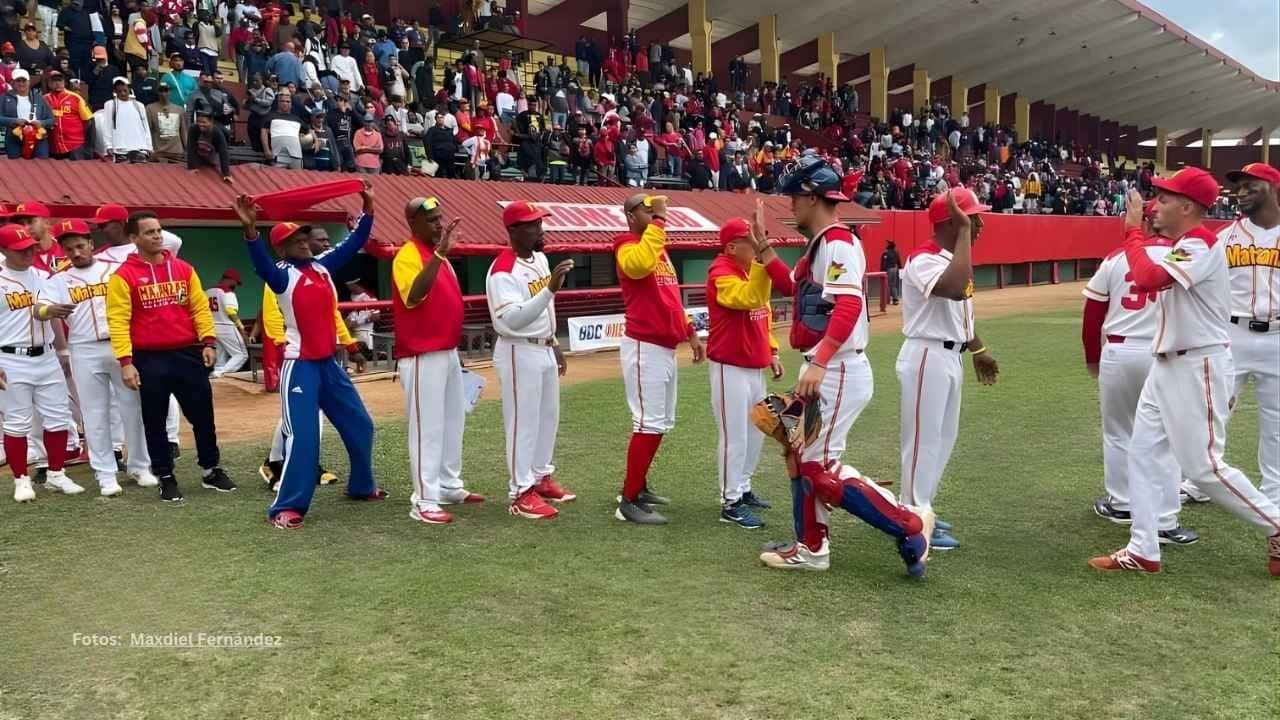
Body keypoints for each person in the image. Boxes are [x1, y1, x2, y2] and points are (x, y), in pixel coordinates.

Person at [1089, 176, 1280, 576]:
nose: (1154, 206)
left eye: (1164, 198)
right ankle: (1143, 548)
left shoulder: (1202, 244)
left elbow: (1148, 278)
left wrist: (1131, 234)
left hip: (1199, 364)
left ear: (1188, 207)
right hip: (1167, 364)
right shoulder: (1185, 245)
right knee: (1141, 454)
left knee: (1204, 468)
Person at [233, 189, 382, 529]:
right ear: (281, 248)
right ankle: (287, 507)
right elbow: (259, 263)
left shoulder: (320, 267)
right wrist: (250, 230)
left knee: (361, 425)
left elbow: (354, 242)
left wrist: (368, 208)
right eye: (294, 239)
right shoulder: (282, 275)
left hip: (329, 364)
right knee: (303, 437)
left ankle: (362, 486)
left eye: (303, 236)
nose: (302, 242)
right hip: (300, 367)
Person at [759, 155, 872, 570]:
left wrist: (820, 360)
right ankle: (807, 539)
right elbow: (796, 287)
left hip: (839, 365)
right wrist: (765, 249)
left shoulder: (838, 242)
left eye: (794, 197)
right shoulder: (825, 243)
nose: (791, 205)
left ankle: (904, 524)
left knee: (814, 461)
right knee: (801, 453)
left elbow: (847, 305)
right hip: (831, 364)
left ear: (811, 197)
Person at [1082, 199, 1198, 544]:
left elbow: (1092, 315)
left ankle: (1121, 503)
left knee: (1118, 431)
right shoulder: (1184, 255)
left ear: (1142, 223)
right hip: (1164, 353)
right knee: (1167, 435)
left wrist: (1092, 357)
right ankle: (1165, 519)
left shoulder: (1116, 257)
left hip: (1118, 350)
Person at [896, 190, 1002, 552]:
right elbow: (955, 289)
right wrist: (961, 236)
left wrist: (978, 349)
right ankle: (912, 517)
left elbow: (960, 315)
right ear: (951, 222)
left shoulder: (951, 257)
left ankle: (921, 508)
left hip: (948, 357)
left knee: (943, 439)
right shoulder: (924, 258)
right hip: (927, 355)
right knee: (923, 441)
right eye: (973, 217)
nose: (980, 224)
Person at [105, 211, 236, 502]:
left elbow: (199, 308)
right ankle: (165, 476)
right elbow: (118, 320)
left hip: (188, 353)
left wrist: (209, 342)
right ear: (133, 239)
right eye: (149, 232)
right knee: (154, 420)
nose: (157, 236)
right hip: (148, 358)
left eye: (159, 230)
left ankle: (211, 470)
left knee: (203, 415)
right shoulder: (123, 277)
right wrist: (126, 363)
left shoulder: (184, 269)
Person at [37, 220, 157, 497]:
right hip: (84, 348)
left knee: (132, 408)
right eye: (69, 249)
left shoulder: (115, 269)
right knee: (95, 413)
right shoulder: (59, 279)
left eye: (80, 246)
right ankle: (105, 473)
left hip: (120, 344)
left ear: (91, 244)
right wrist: (49, 310)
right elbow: (39, 309)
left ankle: (139, 465)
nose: (76, 253)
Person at [752, 391, 931, 575]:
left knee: (815, 470)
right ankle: (809, 545)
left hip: (834, 372)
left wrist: (818, 365)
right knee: (802, 460)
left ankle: (909, 522)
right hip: (823, 373)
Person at [613, 194, 706, 525]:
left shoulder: (658, 248)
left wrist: (690, 331)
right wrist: (660, 222)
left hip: (664, 346)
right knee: (647, 422)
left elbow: (670, 298)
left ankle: (639, 487)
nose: (653, 214)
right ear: (630, 215)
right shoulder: (626, 243)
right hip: (643, 345)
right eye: (645, 210)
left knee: (660, 422)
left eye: (654, 211)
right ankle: (627, 500)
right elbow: (637, 265)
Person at [393, 197, 485, 525]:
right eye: (431, 220)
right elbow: (415, 295)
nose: (438, 224)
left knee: (451, 422)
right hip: (421, 355)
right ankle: (423, 500)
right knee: (427, 428)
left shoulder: (437, 256)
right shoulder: (408, 255)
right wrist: (440, 254)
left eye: (439, 218)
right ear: (414, 223)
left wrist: (440, 255)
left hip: (446, 351)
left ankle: (448, 484)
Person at [486, 201, 577, 520]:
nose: (540, 229)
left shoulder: (539, 258)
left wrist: (554, 342)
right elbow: (512, 319)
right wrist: (550, 289)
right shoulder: (502, 270)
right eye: (532, 225)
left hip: (542, 346)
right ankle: (520, 492)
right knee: (523, 420)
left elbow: (542, 314)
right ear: (513, 231)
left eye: (540, 223)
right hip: (517, 348)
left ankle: (540, 477)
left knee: (547, 417)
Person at [706, 204, 793, 529]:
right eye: (750, 240)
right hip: (730, 367)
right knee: (735, 436)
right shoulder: (721, 271)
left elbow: (762, 315)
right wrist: (761, 263)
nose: (756, 244)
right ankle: (730, 502)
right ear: (731, 247)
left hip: (752, 365)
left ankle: (742, 488)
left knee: (756, 431)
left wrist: (772, 350)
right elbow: (747, 300)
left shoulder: (746, 270)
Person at [0, 223, 83, 503]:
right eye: (20, 250)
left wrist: (62, 352)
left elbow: (54, 316)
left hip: (46, 355)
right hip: (10, 358)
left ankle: (56, 474)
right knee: (17, 422)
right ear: (3, 250)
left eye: (31, 248)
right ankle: (21, 479)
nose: (27, 254)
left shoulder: (44, 276)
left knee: (59, 417)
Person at [1219, 163, 1280, 508]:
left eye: (1249, 186)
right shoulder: (1223, 237)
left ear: (1271, 188)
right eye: (1238, 187)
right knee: (1213, 411)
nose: (1240, 193)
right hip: (1232, 333)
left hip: (1278, 337)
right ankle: (1205, 480)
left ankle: (1274, 496)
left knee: (1277, 424)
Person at [0, 68, 52, 159]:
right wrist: (14, 121)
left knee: (42, 165)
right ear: (12, 82)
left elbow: (51, 119)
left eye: (24, 81)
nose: (21, 83)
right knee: (16, 167)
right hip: (14, 136)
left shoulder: (39, 97)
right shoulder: (4, 98)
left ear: (29, 82)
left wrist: (42, 123)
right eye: (18, 81)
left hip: (38, 137)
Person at [206, 269, 248, 378]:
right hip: (226, 325)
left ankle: (217, 374)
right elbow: (230, 311)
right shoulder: (227, 291)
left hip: (212, 325)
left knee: (221, 358)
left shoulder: (208, 291)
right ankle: (219, 373)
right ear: (229, 279)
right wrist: (242, 328)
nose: (235, 285)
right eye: (235, 282)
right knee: (242, 354)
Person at [100, 76, 151, 162]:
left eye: (125, 91)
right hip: (119, 148)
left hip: (139, 147)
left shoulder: (139, 105)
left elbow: (145, 127)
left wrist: (149, 146)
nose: (123, 93)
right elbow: (107, 126)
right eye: (119, 91)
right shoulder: (110, 104)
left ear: (129, 89)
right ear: (115, 91)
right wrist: (108, 146)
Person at [43, 70, 92, 159]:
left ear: (64, 82)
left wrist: (86, 143)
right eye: (54, 81)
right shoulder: (44, 99)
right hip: (53, 146)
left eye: (60, 80)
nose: (57, 83)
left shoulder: (76, 98)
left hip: (75, 145)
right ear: (49, 83)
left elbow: (88, 120)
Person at [262, 91, 304, 169]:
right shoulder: (270, 116)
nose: (285, 103)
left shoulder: (297, 119)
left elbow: (309, 130)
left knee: (298, 179)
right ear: (278, 102)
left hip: (296, 156)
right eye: (282, 101)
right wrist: (266, 150)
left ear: (291, 104)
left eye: (288, 101)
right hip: (277, 155)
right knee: (277, 179)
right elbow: (263, 133)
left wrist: (315, 139)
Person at [187, 110, 231, 180]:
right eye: (198, 121)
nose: (201, 124)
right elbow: (190, 147)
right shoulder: (193, 129)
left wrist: (226, 173)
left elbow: (223, 152)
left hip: (213, 156)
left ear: (211, 122)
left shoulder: (217, 133)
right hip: (199, 156)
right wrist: (192, 167)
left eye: (204, 122)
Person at [879, 239, 901, 305]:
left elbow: (884, 263)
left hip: (889, 269)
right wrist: (899, 268)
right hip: (895, 268)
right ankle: (895, 299)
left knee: (888, 284)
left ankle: (891, 299)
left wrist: (882, 270)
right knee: (893, 285)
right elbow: (899, 261)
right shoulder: (896, 252)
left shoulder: (886, 252)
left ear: (889, 245)